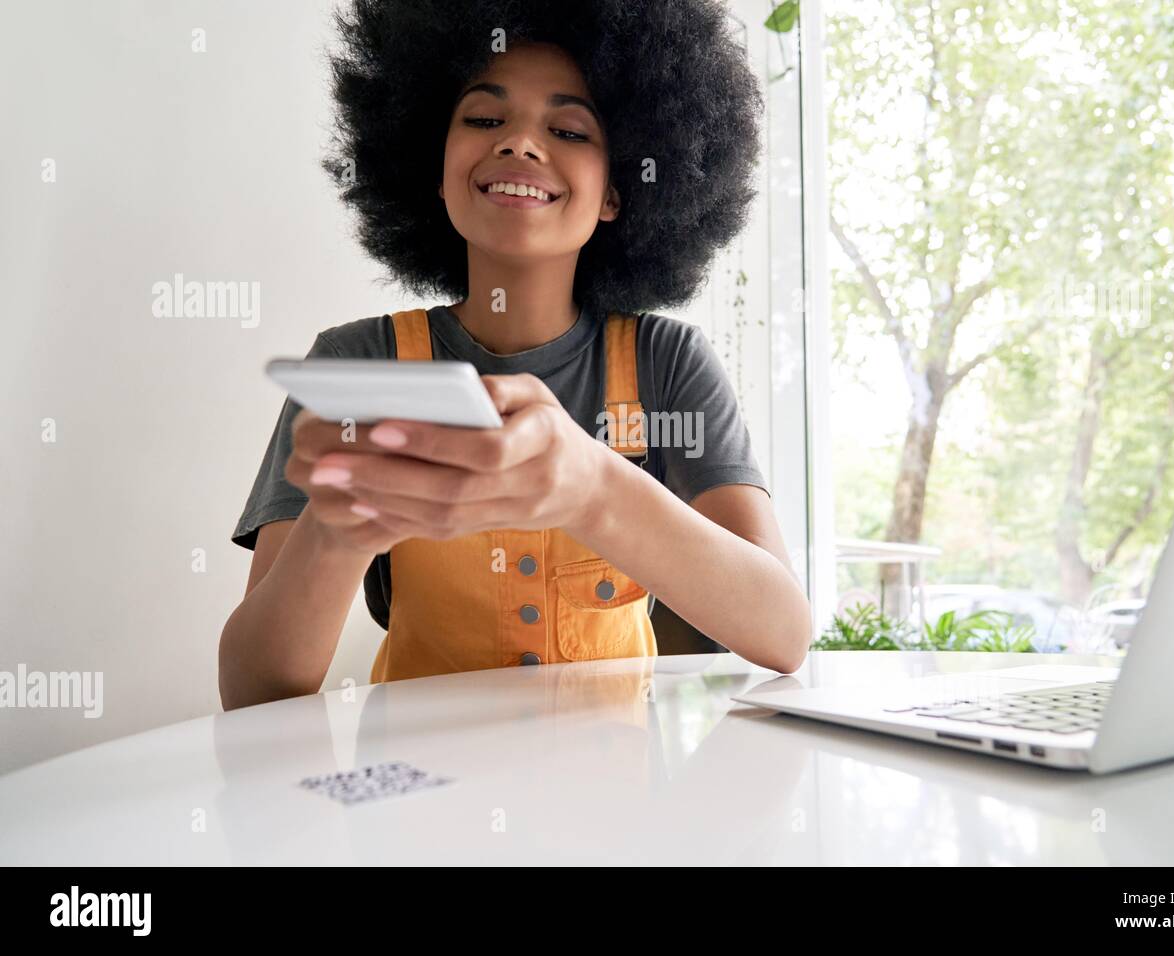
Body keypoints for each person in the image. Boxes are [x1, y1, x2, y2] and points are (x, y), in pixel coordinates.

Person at [219, 0, 811, 709]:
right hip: (418, 803)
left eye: (567, 128)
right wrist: (337, 530)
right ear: (433, 169)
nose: (521, 145)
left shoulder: (666, 363)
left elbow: (783, 634)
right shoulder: (359, 363)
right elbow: (253, 692)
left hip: (617, 809)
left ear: (616, 191)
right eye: (483, 119)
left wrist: (596, 488)